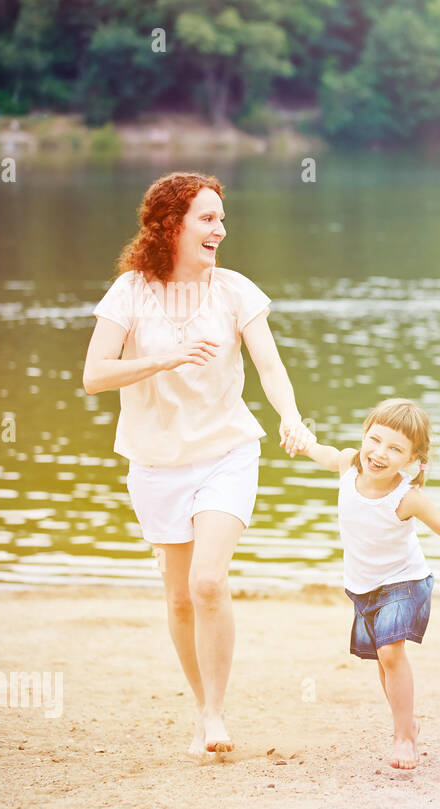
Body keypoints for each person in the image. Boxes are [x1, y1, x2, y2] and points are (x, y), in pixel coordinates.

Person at [83, 171, 312, 756]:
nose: (220, 230)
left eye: (221, 218)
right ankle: (199, 704)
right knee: (179, 595)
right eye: (207, 219)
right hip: (155, 462)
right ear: (171, 225)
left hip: (226, 452)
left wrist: (290, 416)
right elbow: (93, 376)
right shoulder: (129, 292)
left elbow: (270, 366)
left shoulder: (235, 290)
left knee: (207, 582)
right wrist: (163, 358)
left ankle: (215, 714)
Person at [297, 398, 440, 770]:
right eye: (375, 439)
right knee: (384, 663)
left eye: (395, 448)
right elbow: (320, 450)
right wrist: (299, 438)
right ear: (364, 436)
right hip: (362, 587)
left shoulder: (407, 497)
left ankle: (403, 738)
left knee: (390, 654)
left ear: (413, 460)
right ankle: (407, 722)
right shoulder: (347, 465)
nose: (380, 453)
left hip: (404, 583)